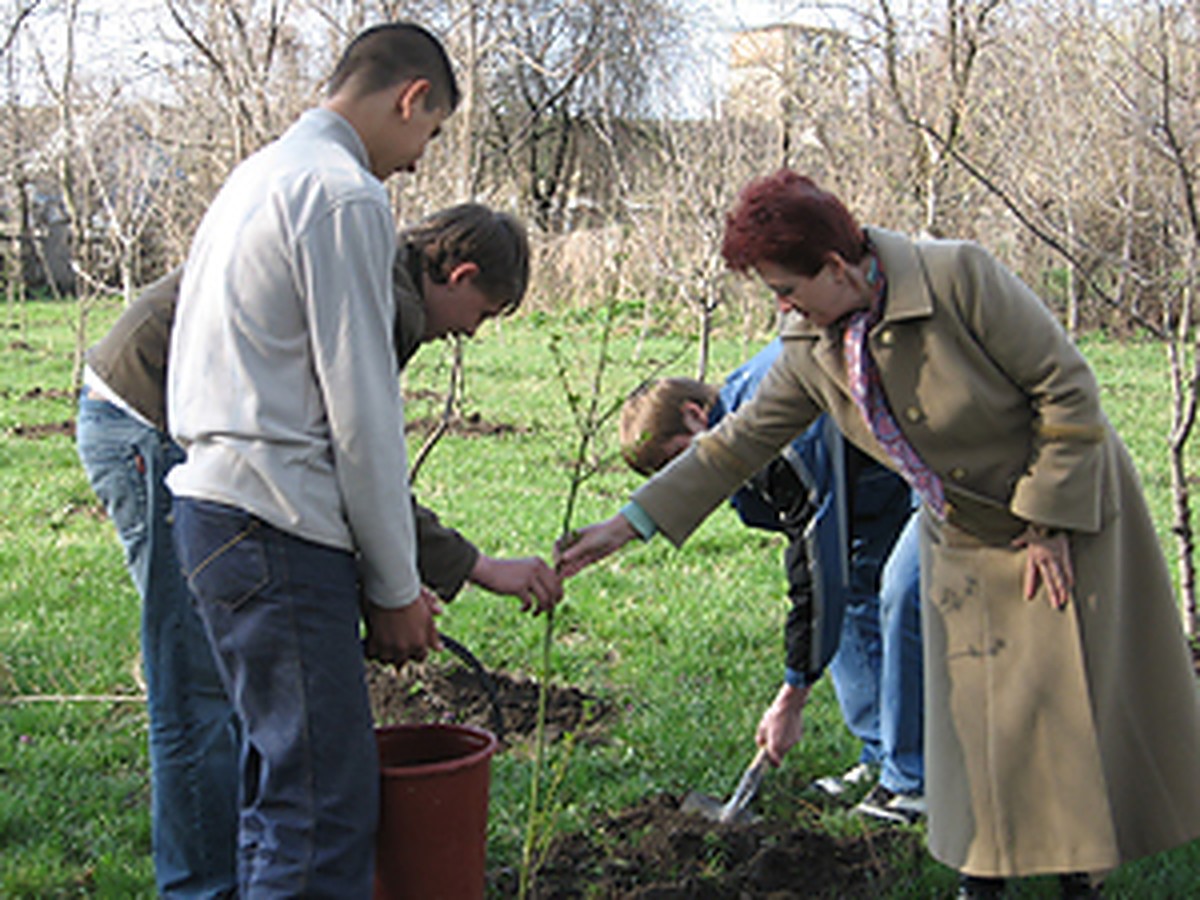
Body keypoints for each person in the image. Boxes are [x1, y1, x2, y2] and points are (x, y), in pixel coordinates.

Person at [559, 170, 1200, 899]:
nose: (782, 307)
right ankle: (980, 881)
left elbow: (1066, 388)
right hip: (960, 531)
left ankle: (1078, 875)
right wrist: (628, 523)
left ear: (836, 266)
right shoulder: (811, 340)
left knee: (1061, 707)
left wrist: (1049, 519)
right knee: (976, 721)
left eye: (786, 288)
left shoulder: (959, 276)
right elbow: (733, 444)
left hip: (1060, 510)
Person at [76, 201, 560, 895]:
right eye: (483, 314)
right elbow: (350, 458)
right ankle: (202, 888)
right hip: (149, 421)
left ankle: (243, 872)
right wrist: (453, 573)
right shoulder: (383, 296)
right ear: (460, 273)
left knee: (241, 687)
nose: (471, 333)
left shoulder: (377, 272)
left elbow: (327, 457)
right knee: (196, 692)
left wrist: (394, 575)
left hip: (196, 434)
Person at [164, 23, 526, 896]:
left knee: (279, 788)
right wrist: (397, 589)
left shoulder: (258, 176)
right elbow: (361, 415)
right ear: (410, 98)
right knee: (324, 808)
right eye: (429, 133)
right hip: (275, 524)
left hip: (214, 511)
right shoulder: (342, 196)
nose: (417, 160)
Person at [619, 342, 925, 824]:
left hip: (929, 461)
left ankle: (912, 780)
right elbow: (823, 568)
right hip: (865, 492)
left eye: (680, 462)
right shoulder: (744, 454)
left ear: (695, 414)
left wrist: (793, 693)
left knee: (902, 598)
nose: (689, 480)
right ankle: (881, 753)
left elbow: (814, 554)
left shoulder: (772, 433)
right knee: (848, 603)